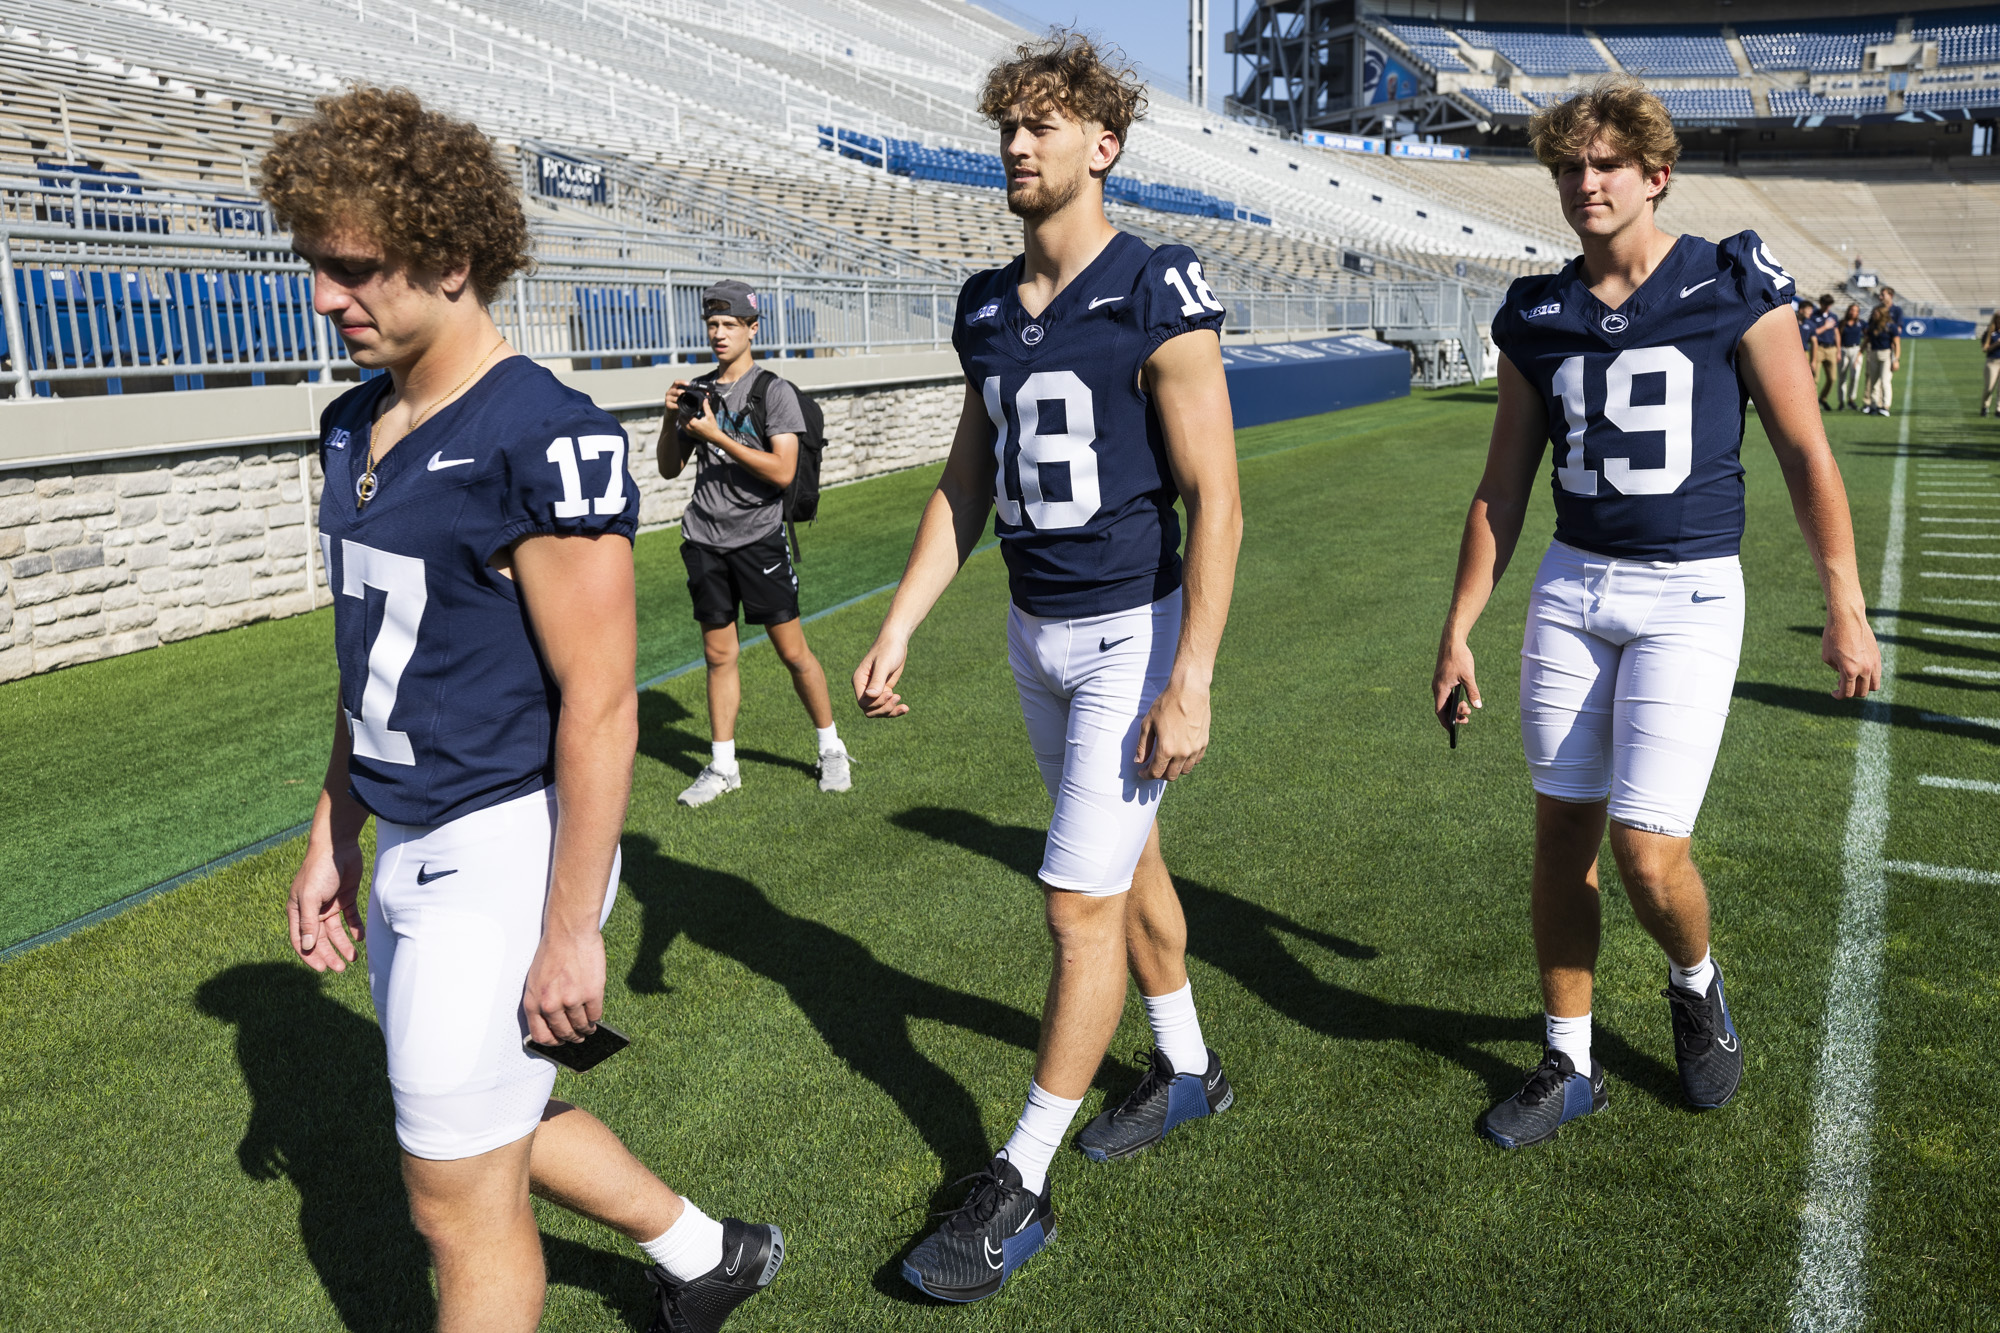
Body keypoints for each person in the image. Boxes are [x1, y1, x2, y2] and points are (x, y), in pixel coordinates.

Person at [272, 88, 782, 1333]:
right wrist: (331, 830)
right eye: (317, 267)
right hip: (408, 836)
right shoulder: (355, 423)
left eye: (355, 269)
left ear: (451, 259)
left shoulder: (538, 436)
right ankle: (709, 1251)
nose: (328, 297)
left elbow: (605, 703)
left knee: (453, 1203)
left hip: (506, 846)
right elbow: (369, 662)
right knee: (485, 1118)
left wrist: (570, 928)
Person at [851, 32, 1242, 1300]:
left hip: (1133, 625)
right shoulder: (982, 301)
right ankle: (1184, 1066)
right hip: (1033, 629)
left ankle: (1018, 1183)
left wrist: (1190, 679)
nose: (1017, 145)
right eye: (1005, 126)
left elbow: (1217, 500)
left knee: (1075, 906)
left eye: (1043, 124)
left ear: (1101, 145)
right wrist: (906, 618)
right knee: (1124, 870)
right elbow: (966, 483)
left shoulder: (1155, 285)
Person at [1430, 78, 1881, 1150]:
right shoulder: (1535, 313)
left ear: (1652, 174)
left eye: (1604, 166)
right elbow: (1500, 487)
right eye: (1567, 169)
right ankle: (1568, 1056)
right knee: (1559, 838)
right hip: (1572, 586)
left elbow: (1802, 450)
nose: (1584, 185)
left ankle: (1692, 979)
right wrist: (1456, 625)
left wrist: (1842, 605)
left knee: (1647, 853)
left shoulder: (1728, 281)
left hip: (1686, 590)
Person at [659, 281, 850, 807]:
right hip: (703, 538)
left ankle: (830, 746)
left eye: (729, 325)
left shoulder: (774, 392)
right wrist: (669, 416)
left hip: (758, 539)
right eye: (712, 325)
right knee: (718, 655)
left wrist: (719, 436)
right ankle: (723, 766)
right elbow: (669, 468)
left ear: (752, 329)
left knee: (793, 652)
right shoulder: (700, 388)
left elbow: (785, 471)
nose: (718, 334)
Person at [1862, 289, 1901, 416]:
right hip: (1874, 353)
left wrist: (1896, 359)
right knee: (1873, 381)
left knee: (1885, 381)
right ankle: (1874, 405)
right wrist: (1860, 351)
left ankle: (1885, 406)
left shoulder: (1891, 326)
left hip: (1886, 354)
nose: (1874, 315)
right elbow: (1867, 339)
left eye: (1876, 313)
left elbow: (1896, 343)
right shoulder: (1873, 326)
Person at [1811, 293, 1840, 408]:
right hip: (1818, 348)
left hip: (1831, 348)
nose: (1828, 307)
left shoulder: (1833, 316)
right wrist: (1825, 327)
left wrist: (1838, 350)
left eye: (1829, 304)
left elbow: (1836, 333)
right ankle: (1813, 404)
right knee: (1815, 379)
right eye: (1826, 304)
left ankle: (1823, 398)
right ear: (1821, 303)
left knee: (1832, 378)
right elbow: (1813, 333)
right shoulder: (1814, 316)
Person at [1836, 301, 1865, 410]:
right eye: (1852, 310)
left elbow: (1868, 335)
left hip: (1856, 350)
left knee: (1855, 375)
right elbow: (1837, 336)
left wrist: (1861, 350)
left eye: (1856, 311)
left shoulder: (1861, 323)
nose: (1853, 313)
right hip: (1844, 349)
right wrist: (1838, 351)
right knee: (1842, 377)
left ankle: (1851, 399)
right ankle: (1841, 401)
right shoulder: (1842, 323)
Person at [1981, 311, 2000, 416]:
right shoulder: (1989, 332)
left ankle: (1998, 409)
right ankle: (1985, 406)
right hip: (1992, 362)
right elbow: (1984, 349)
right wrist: (1997, 344)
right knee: (1989, 387)